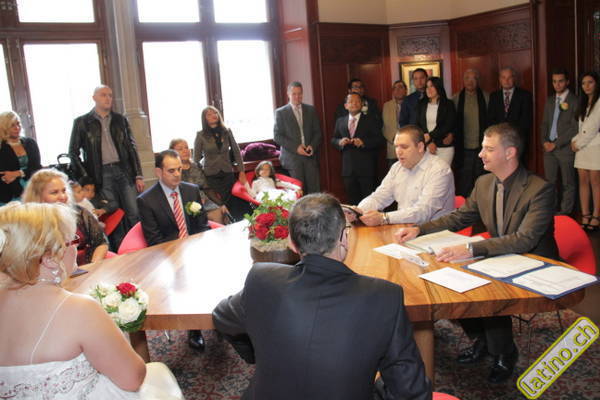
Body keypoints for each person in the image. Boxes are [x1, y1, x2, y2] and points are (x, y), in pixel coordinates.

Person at [212, 193, 432, 400]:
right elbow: (410, 390)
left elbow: (221, 317)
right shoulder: (385, 296)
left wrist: (256, 350)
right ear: (344, 238)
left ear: (291, 243)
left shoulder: (262, 279)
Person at [394, 123, 558, 384]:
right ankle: (482, 340)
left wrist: (470, 248)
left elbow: (525, 239)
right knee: (450, 281)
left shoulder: (540, 189)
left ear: (510, 153)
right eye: (482, 148)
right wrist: (419, 229)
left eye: (489, 149)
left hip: (534, 261)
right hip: (502, 255)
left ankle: (504, 353)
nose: (481, 154)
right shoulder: (484, 183)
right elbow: (458, 218)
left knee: (487, 288)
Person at [0, 202, 183, 399]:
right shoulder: (79, 309)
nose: (76, 247)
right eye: (72, 241)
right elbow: (133, 378)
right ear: (50, 258)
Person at [137, 150, 210, 351]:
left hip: (196, 248)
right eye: (171, 171)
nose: (177, 174)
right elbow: (154, 241)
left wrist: (202, 248)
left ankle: (220, 318)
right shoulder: (147, 200)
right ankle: (194, 329)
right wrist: (179, 255)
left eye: (179, 169)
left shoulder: (191, 190)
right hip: (168, 257)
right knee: (186, 279)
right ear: (158, 172)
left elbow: (202, 225)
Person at [68, 85, 145, 237]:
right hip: (101, 174)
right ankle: (119, 246)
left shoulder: (120, 120)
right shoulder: (82, 122)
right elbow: (73, 152)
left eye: (110, 95)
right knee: (112, 213)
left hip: (123, 170)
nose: (108, 98)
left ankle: (137, 242)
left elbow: (131, 148)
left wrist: (138, 175)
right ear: (94, 98)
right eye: (103, 95)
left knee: (133, 210)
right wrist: (86, 177)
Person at [349, 125, 454, 226]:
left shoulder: (439, 170)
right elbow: (379, 197)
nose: (398, 152)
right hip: (403, 229)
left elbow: (423, 212)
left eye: (404, 147)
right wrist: (358, 211)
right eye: (396, 147)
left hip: (434, 233)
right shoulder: (397, 167)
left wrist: (384, 218)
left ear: (420, 147)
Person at [22, 169, 109, 266]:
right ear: (38, 196)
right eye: (54, 192)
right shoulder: (27, 224)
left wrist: (93, 266)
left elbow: (101, 242)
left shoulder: (80, 212)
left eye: (64, 191)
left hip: (88, 267)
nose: (63, 196)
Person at [193, 106, 249, 221]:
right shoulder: (200, 135)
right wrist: (200, 175)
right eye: (209, 114)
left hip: (227, 171)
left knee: (230, 201)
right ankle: (223, 224)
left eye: (215, 113)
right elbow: (196, 159)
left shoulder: (226, 131)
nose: (213, 115)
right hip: (210, 174)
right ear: (204, 118)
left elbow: (236, 151)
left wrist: (241, 171)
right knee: (218, 202)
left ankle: (232, 222)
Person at [331, 93, 384, 205]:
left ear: (361, 104)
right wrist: (340, 142)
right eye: (351, 102)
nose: (354, 104)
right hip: (348, 169)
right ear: (346, 105)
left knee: (369, 201)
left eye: (357, 101)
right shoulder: (340, 121)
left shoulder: (371, 120)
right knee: (352, 201)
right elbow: (333, 139)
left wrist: (364, 142)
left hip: (366, 168)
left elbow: (379, 140)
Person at [540, 68, 579, 216]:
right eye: (554, 81)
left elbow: (574, 127)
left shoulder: (575, 101)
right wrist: (544, 141)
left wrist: (556, 144)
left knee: (568, 183)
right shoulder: (550, 100)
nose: (557, 84)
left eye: (561, 81)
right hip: (548, 148)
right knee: (549, 182)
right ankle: (551, 212)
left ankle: (565, 214)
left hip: (565, 148)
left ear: (567, 82)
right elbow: (544, 123)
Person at [273, 81, 322, 194]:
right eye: (294, 94)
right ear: (288, 94)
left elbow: (317, 133)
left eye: (299, 93)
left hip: (310, 158)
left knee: (314, 192)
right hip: (292, 159)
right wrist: (296, 148)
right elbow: (277, 136)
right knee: (298, 193)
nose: (297, 96)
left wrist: (312, 146)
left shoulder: (311, 110)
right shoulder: (280, 112)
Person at [169, 138, 228, 224]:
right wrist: (196, 200)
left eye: (186, 147)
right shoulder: (173, 171)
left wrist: (221, 204)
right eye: (180, 149)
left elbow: (207, 188)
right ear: (172, 153)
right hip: (186, 205)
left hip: (205, 202)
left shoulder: (196, 166)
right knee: (215, 215)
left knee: (223, 212)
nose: (185, 150)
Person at [452, 69, 489, 196]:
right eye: (467, 78)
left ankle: (482, 204)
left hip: (482, 146)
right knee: (464, 181)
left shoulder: (486, 97)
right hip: (463, 147)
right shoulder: (456, 99)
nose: (470, 81)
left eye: (474, 78)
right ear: (463, 80)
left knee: (482, 179)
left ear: (478, 81)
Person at [571, 71, 600, 231]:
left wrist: (577, 143)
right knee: (583, 181)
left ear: (596, 83)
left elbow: (593, 128)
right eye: (583, 83)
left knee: (595, 182)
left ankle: (596, 216)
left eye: (590, 82)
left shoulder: (599, 102)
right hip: (582, 148)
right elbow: (581, 128)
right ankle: (585, 214)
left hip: (595, 146)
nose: (586, 86)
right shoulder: (583, 102)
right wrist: (574, 141)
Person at [487, 67, 533, 163]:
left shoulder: (525, 95)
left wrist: (512, 137)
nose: (506, 80)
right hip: (498, 141)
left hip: (516, 141)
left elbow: (525, 121)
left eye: (509, 77)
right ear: (500, 79)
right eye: (503, 77)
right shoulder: (494, 96)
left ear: (514, 78)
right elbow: (491, 119)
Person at [0, 111, 41, 205]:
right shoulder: (1, 148)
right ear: (4, 127)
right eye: (12, 125)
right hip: (9, 194)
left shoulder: (30, 143)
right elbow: (5, 175)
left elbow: (37, 168)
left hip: (33, 187)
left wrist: (17, 173)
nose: (17, 128)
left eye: (18, 124)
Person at [416, 77, 457, 166]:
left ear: (438, 87)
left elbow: (448, 125)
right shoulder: (421, 104)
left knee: (443, 173)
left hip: (444, 147)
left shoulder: (448, 104)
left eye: (432, 86)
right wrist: (429, 142)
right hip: (427, 146)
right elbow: (418, 125)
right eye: (427, 87)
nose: (429, 89)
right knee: (428, 173)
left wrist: (430, 136)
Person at [382, 80, 407, 168]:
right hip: (393, 146)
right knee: (394, 173)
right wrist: (394, 139)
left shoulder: (411, 104)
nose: (397, 90)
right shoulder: (386, 105)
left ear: (406, 90)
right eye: (395, 88)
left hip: (408, 145)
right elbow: (384, 126)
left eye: (400, 87)